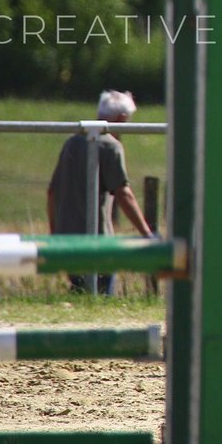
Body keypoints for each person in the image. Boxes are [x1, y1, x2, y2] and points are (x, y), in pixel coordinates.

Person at [47, 90, 156, 295]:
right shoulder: (110, 146)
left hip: (66, 240)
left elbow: (52, 192)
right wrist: (147, 235)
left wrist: (54, 234)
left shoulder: (72, 142)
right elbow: (123, 194)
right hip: (97, 242)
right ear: (121, 119)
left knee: (80, 290)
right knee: (101, 292)